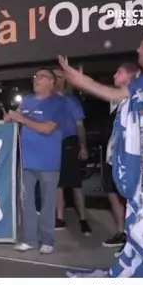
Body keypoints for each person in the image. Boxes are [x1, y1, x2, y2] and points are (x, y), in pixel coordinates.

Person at [58, 30, 143, 277]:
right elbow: (112, 94)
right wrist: (80, 80)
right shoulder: (140, 83)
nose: (138, 50)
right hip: (138, 161)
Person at [8, 68, 65, 255]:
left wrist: (22, 119)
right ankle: (29, 239)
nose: (36, 79)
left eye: (41, 76)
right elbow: (14, 120)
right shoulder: (27, 100)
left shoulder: (58, 103)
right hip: (26, 161)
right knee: (27, 203)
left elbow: (48, 129)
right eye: (35, 77)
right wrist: (9, 118)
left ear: (52, 81)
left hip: (48, 162)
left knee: (48, 203)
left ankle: (47, 240)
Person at [101, 63, 141, 254]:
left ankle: (134, 241)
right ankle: (121, 233)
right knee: (112, 192)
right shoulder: (114, 100)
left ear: (132, 76)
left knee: (131, 199)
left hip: (129, 157)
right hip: (113, 155)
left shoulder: (137, 97)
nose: (114, 74)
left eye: (119, 71)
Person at [53, 68, 91, 235]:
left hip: (69, 142)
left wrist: (83, 147)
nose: (57, 80)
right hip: (52, 144)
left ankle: (83, 219)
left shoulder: (70, 100)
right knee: (57, 184)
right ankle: (60, 218)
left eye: (60, 77)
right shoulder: (46, 100)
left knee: (75, 184)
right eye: (54, 77)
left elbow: (80, 126)